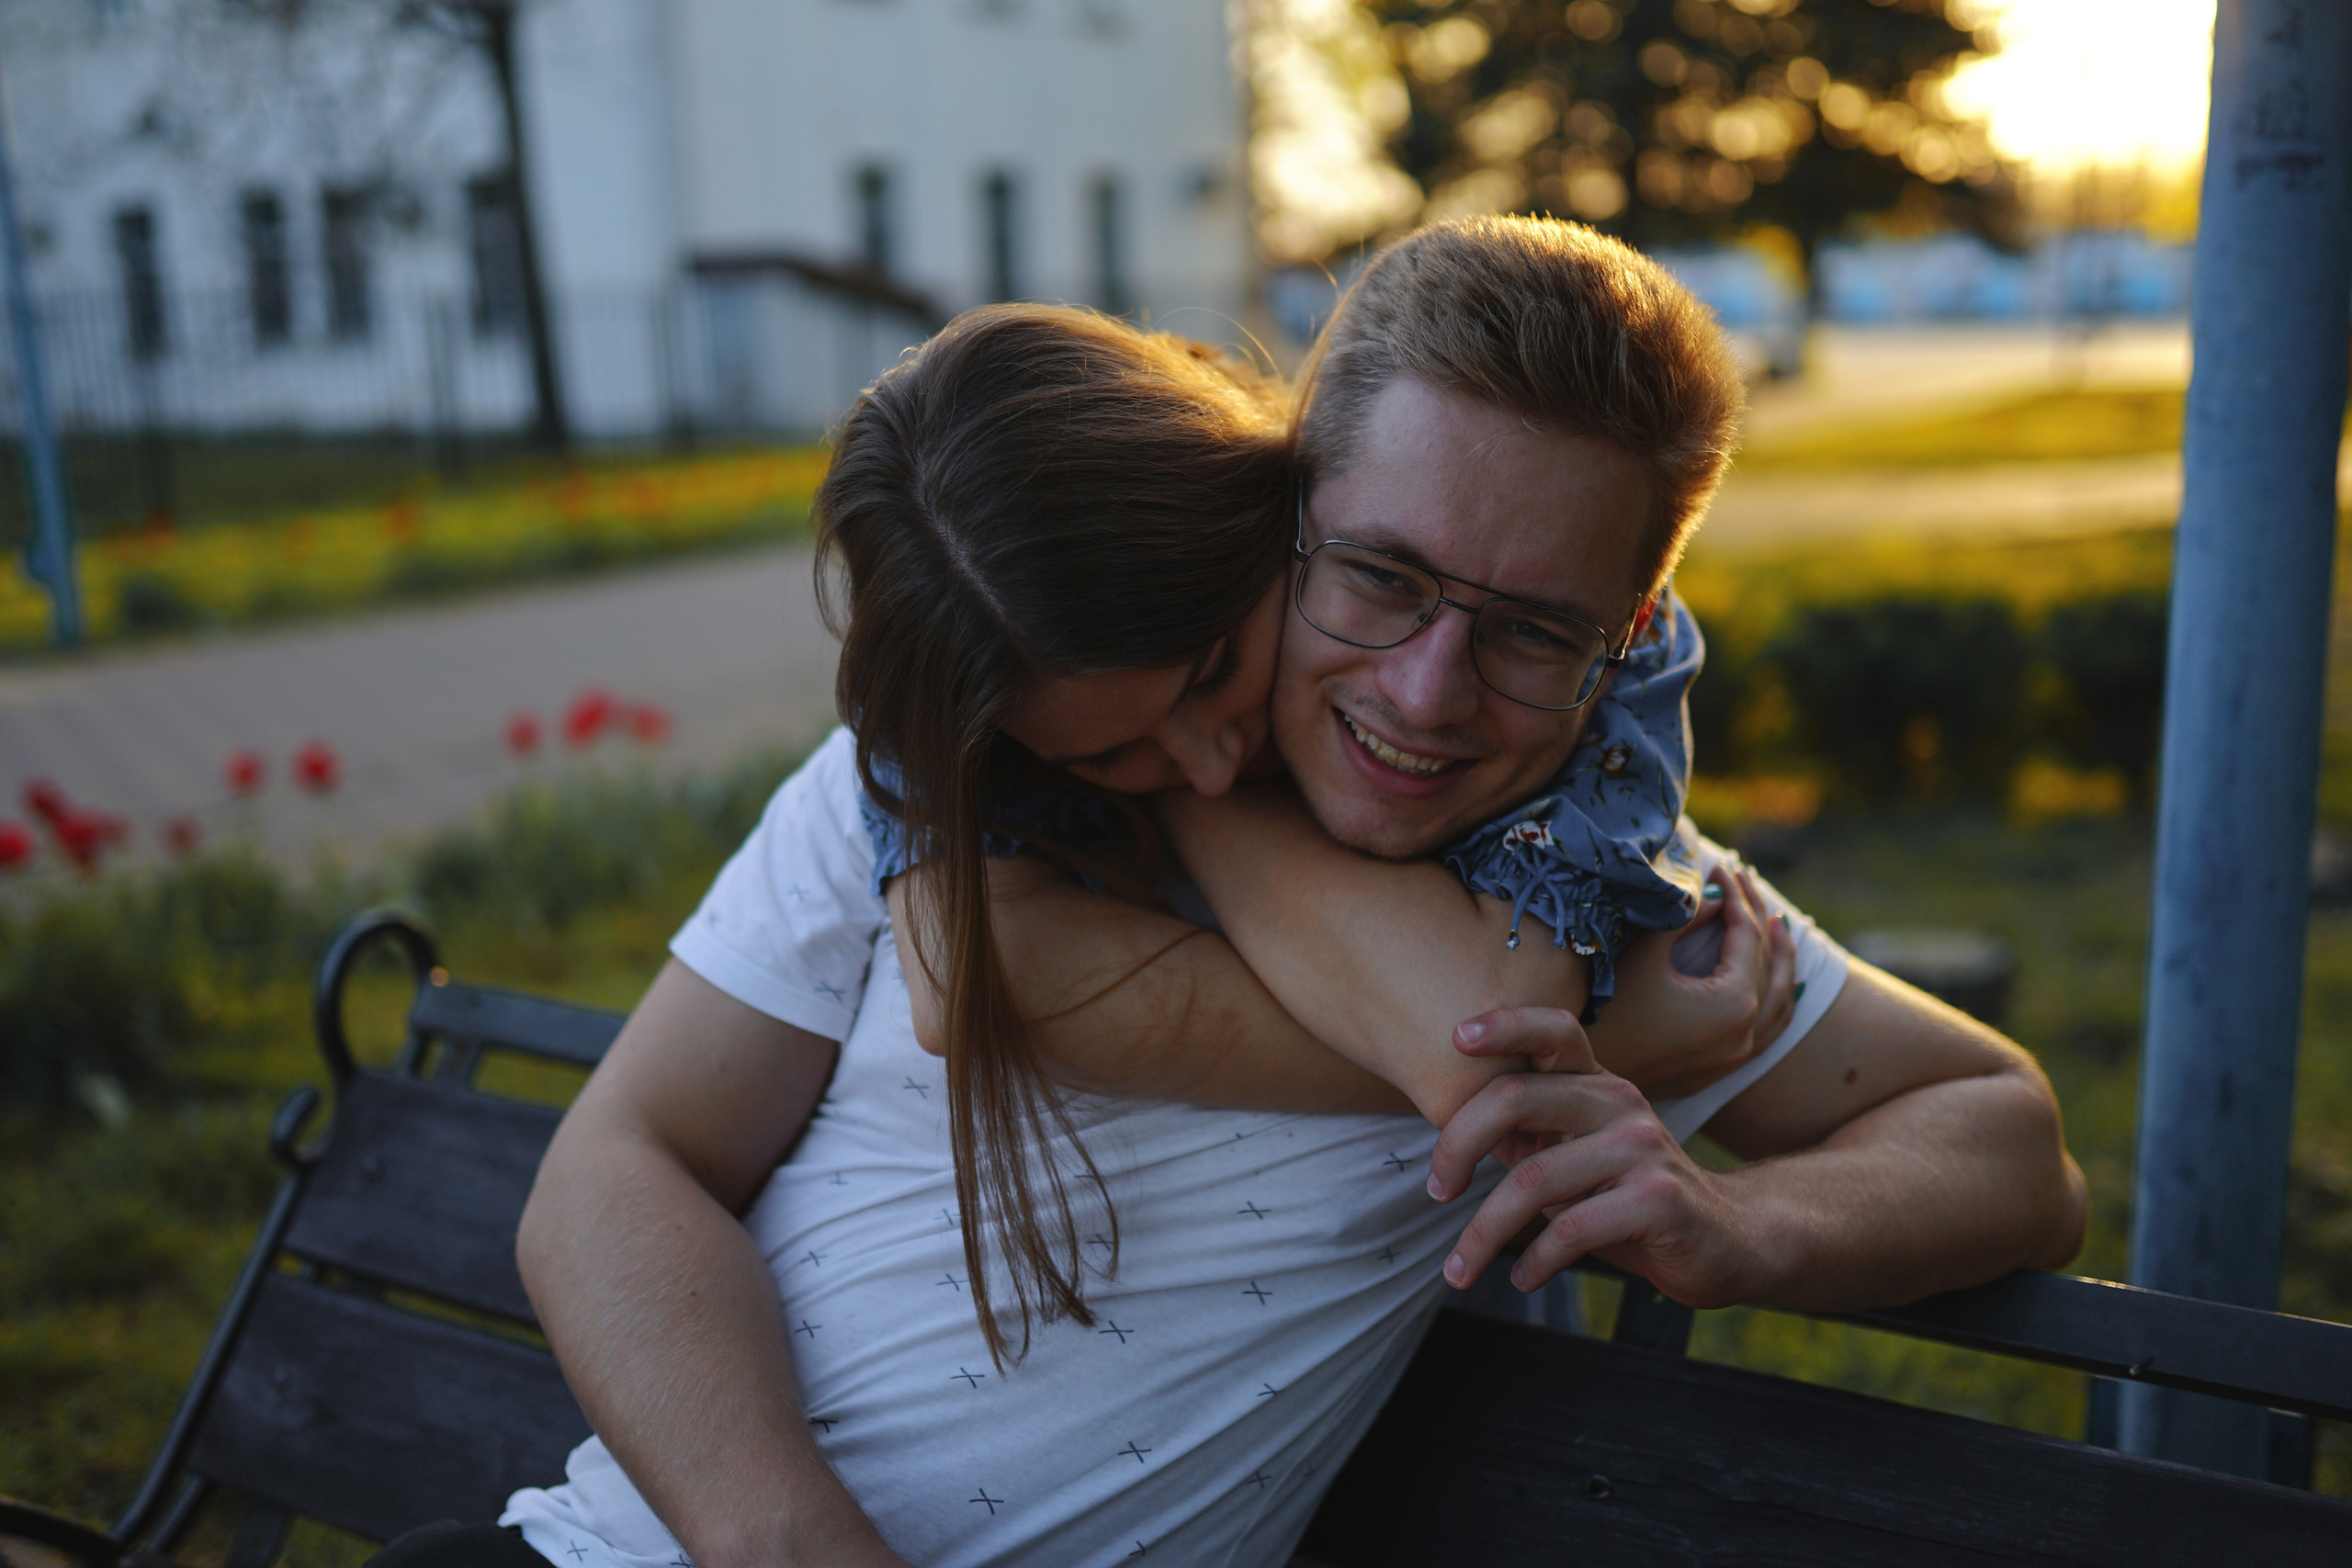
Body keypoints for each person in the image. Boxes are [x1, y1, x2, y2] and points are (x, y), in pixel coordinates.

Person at [489, 221, 2082, 1568]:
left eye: (1533, 630)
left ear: (1637, 625)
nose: (1429, 694)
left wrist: (1745, 1220)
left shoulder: (1621, 919)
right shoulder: (972, 778)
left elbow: (2009, 1142)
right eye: (1379, 577)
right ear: (1284, 500)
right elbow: (618, 1169)